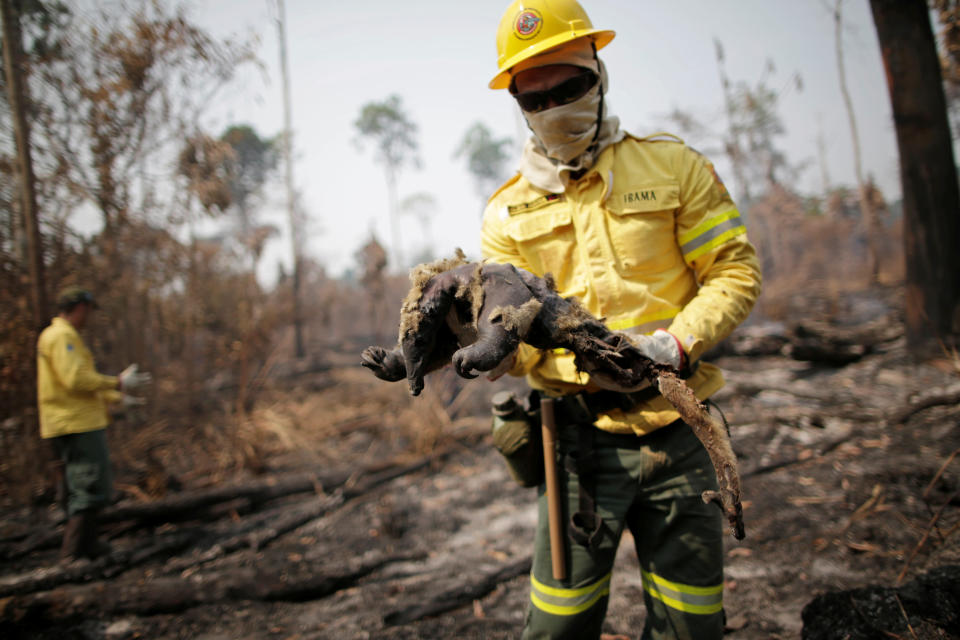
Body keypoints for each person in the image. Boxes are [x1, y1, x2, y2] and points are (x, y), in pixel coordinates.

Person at [479, 1, 762, 638]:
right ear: (518, 103)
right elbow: (515, 339)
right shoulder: (506, 214)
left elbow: (735, 270)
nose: (555, 107)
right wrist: (502, 352)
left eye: (570, 87)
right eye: (536, 98)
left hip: (680, 434)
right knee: (558, 627)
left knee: (691, 626)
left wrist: (674, 343)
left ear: (599, 75)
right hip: (576, 447)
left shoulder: (672, 167)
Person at [37, 287, 152, 562]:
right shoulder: (62, 336)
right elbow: (75, 379)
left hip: (73, 420)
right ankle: (73, 555)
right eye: (88, 310)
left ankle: (89, 545)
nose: (89, 316)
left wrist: (117, 398)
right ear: (79, 307)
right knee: (88, 486)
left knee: (83, 485)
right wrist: (118, 382)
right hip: (75, 424)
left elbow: (78, 385)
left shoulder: (60, 336)